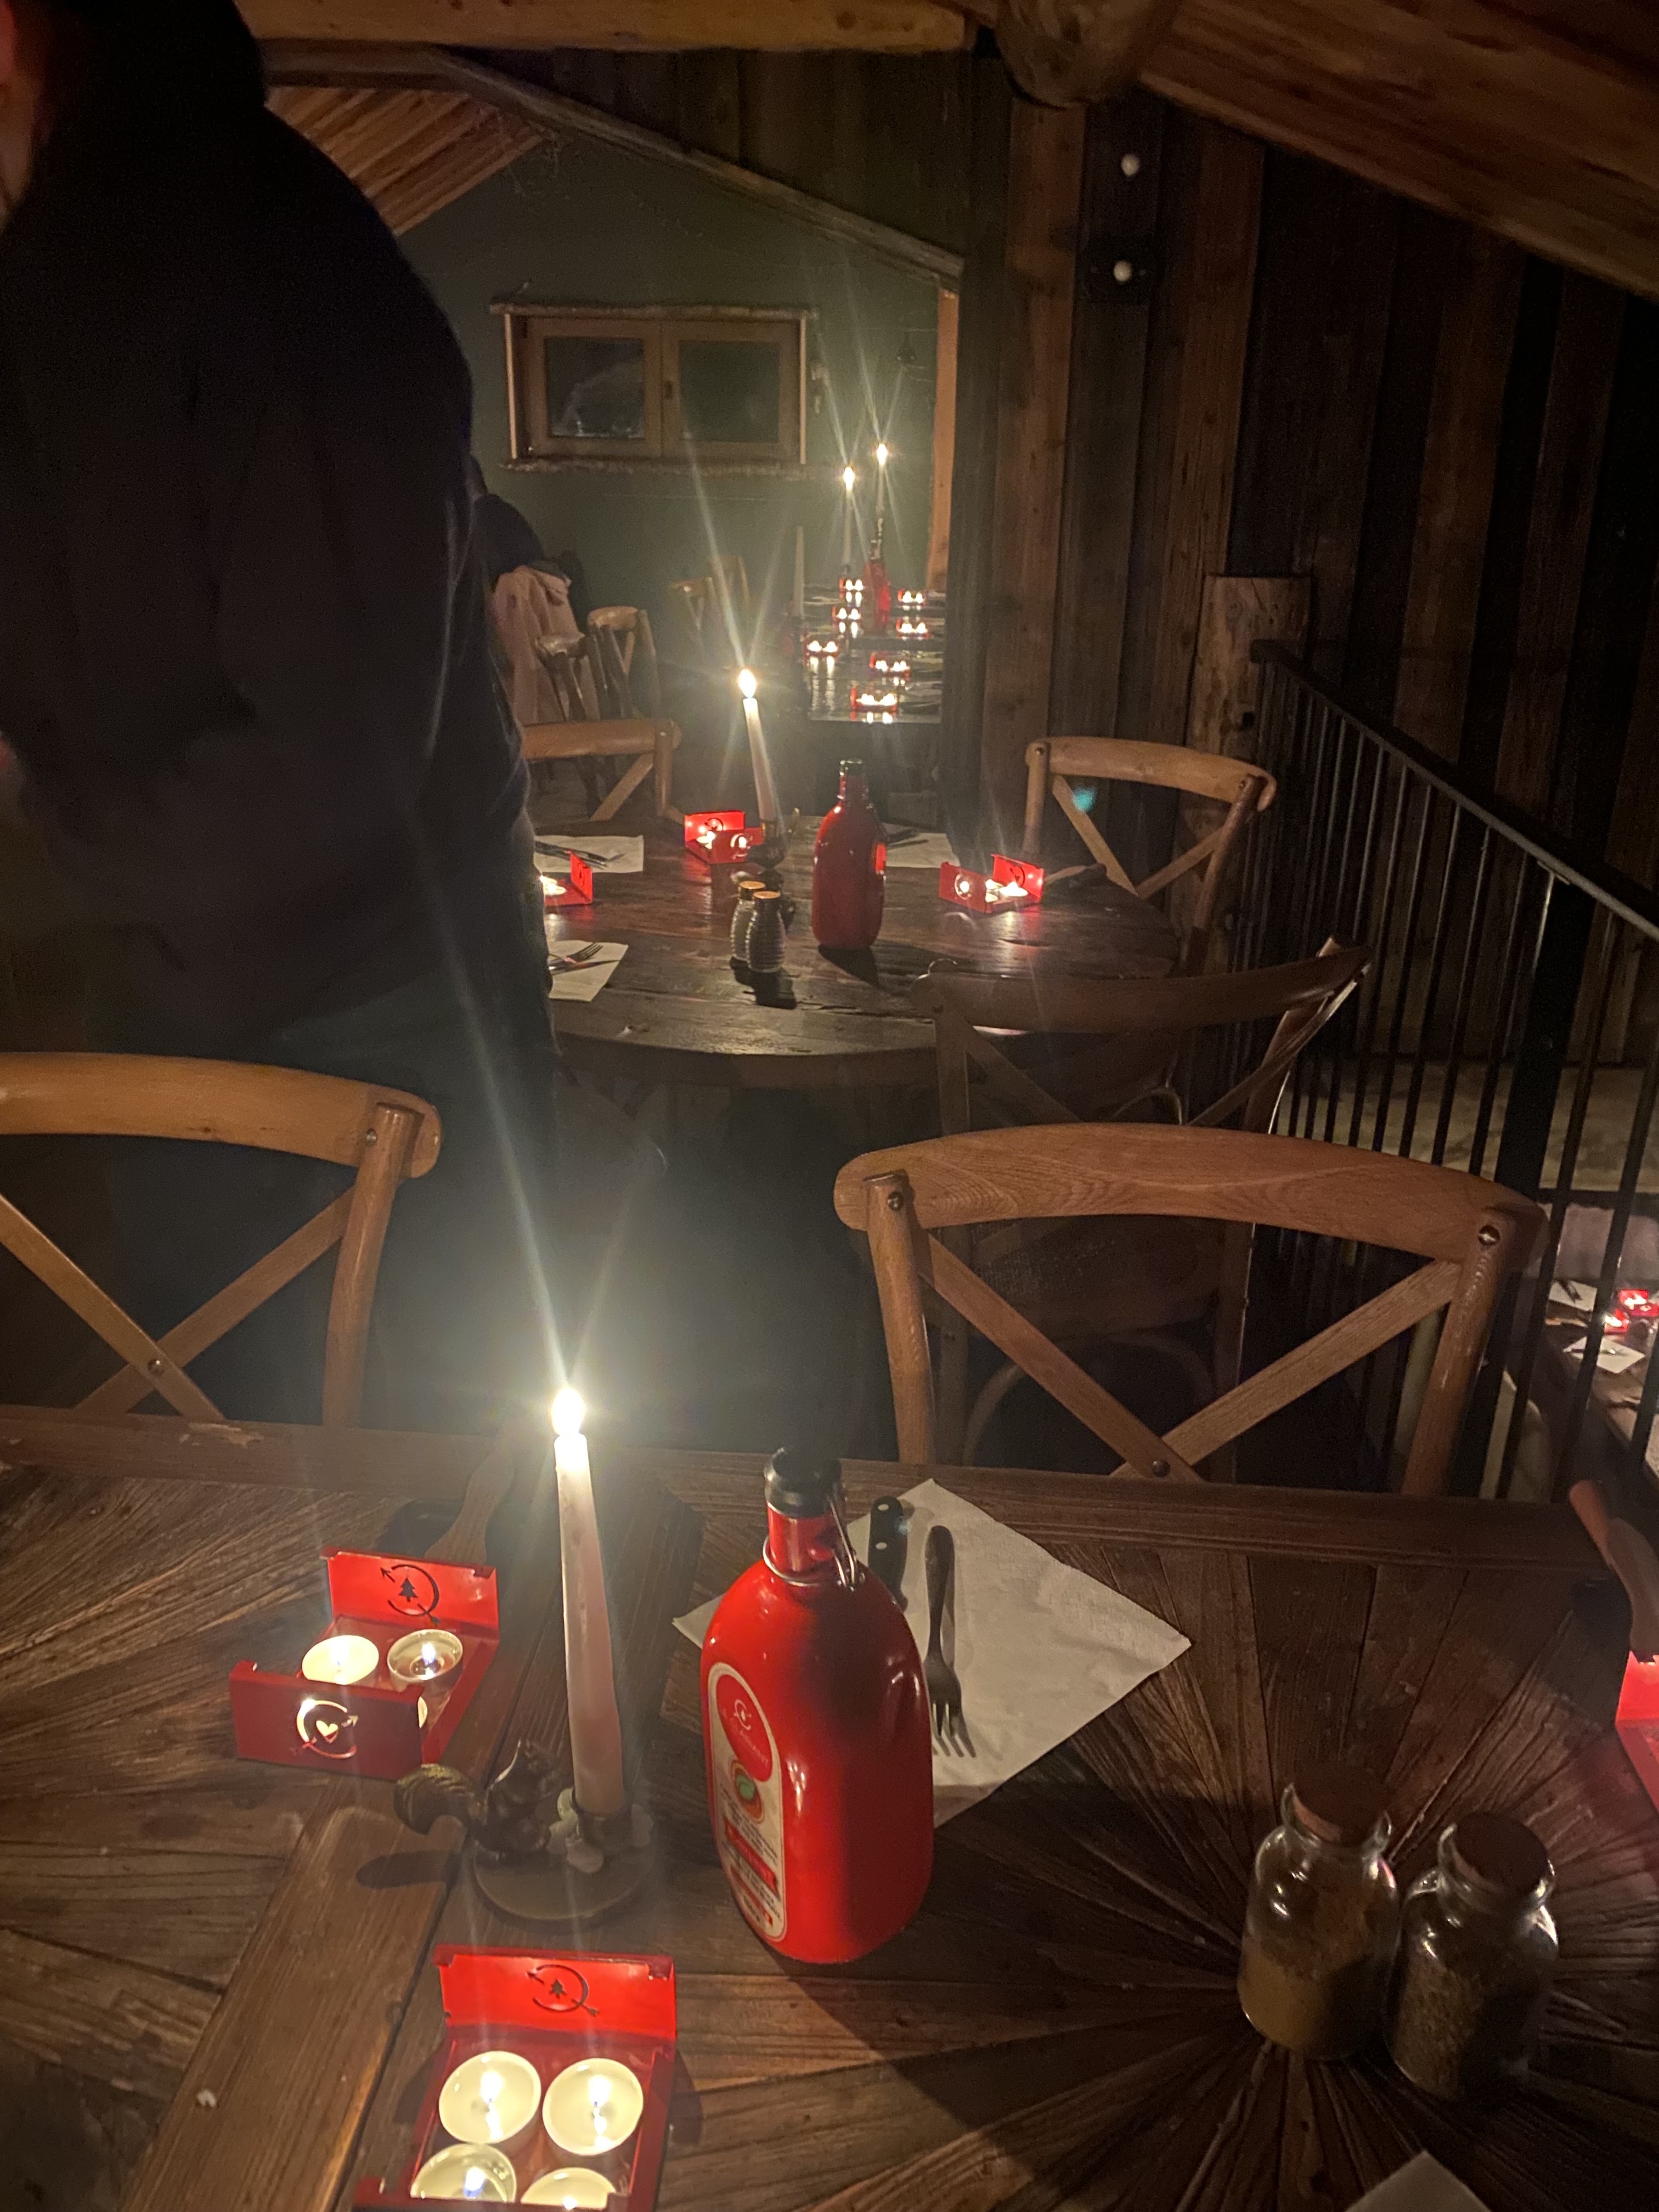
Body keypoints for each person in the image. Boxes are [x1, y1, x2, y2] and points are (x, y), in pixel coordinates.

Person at [0, 0, 559, 1430]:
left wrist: (42, 846)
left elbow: (333, 761)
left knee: (433, 1459)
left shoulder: (287, 268)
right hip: (164, 980)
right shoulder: (57, 272)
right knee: (226, 1450)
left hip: (382, 997)